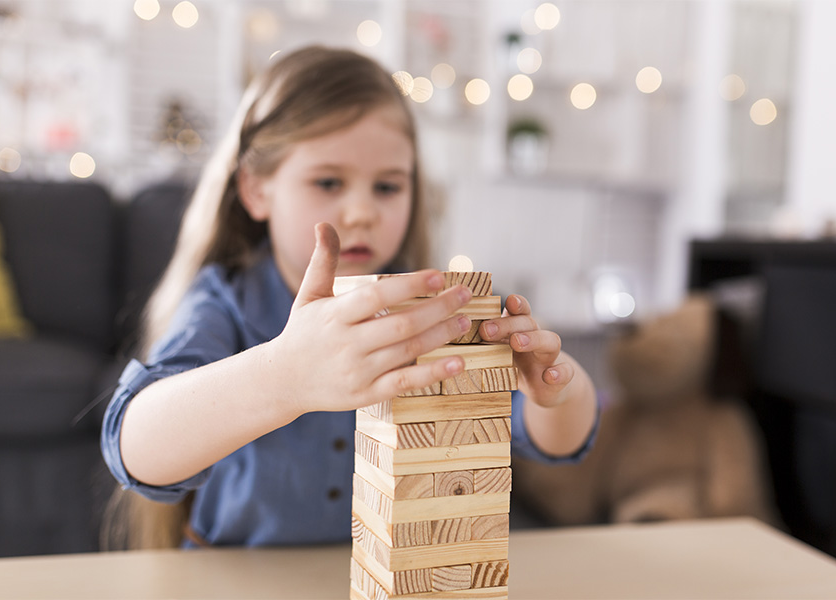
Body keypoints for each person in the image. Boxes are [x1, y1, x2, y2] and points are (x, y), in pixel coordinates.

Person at [101, 45, 599, 549]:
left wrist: (559, 391)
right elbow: (132, 448)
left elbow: (557, 442)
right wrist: (285, 375)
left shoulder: (439, 312)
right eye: (329, 182)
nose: (361, 211)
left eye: (387, 187)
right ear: (255, 190)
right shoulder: (224, 301)